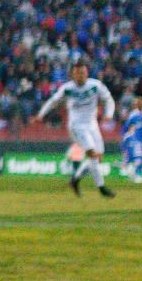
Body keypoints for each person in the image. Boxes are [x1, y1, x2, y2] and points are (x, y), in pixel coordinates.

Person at [32, 60, 116, 197]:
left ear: (87, 73)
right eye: (77, 73)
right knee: (93, 154)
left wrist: (108, 114)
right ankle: (101, 188)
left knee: (98, 157)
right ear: (73, 74)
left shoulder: (95, 85)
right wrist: (40, 115)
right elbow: (53, 101)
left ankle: (75, 179)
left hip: (92, 125)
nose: (80, 75)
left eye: (82, 72)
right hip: (77, 126)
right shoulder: (68, 88)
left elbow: (108, 99)